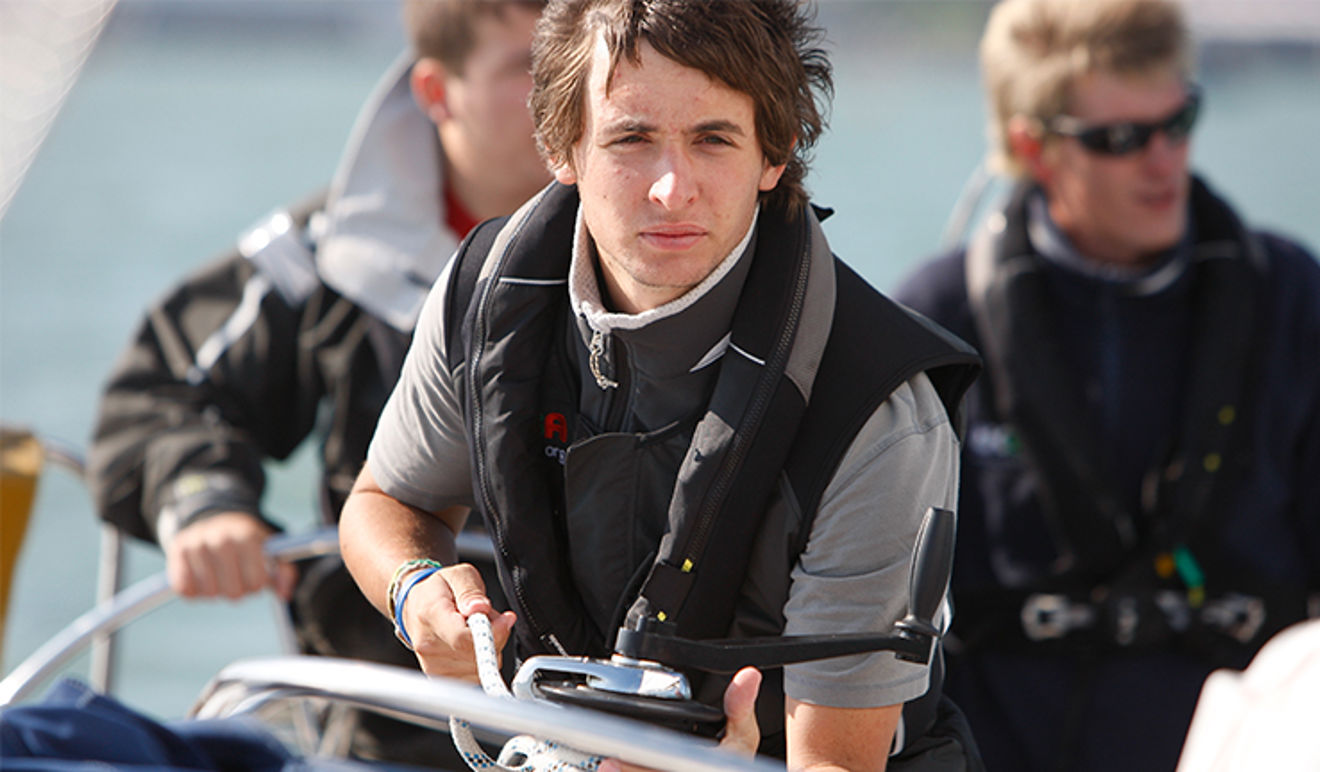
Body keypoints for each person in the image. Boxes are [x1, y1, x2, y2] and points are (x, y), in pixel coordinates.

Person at [340, 0, 984, 769]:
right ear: (561, 144)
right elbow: (386, 502)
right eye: (632, 138)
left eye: (713, 140)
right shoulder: (483, 296)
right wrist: (415, 592)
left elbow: (837, 762)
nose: (672, 189)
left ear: (773, 155)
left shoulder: (877, 410)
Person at [85, 0, 550, 764]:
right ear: (437, 93)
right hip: (391, 719)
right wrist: (205, 502)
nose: (564, 92)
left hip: (616, 719)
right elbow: (161, 389)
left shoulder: (660, 244)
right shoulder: (330, 259)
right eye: (527, 68)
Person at [893, 0, 1320, 770]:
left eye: (1178, 121)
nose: (1164, 160)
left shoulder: (1292, 300)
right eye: (1121, 139)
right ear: (1033, 147)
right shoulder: (936, 322)